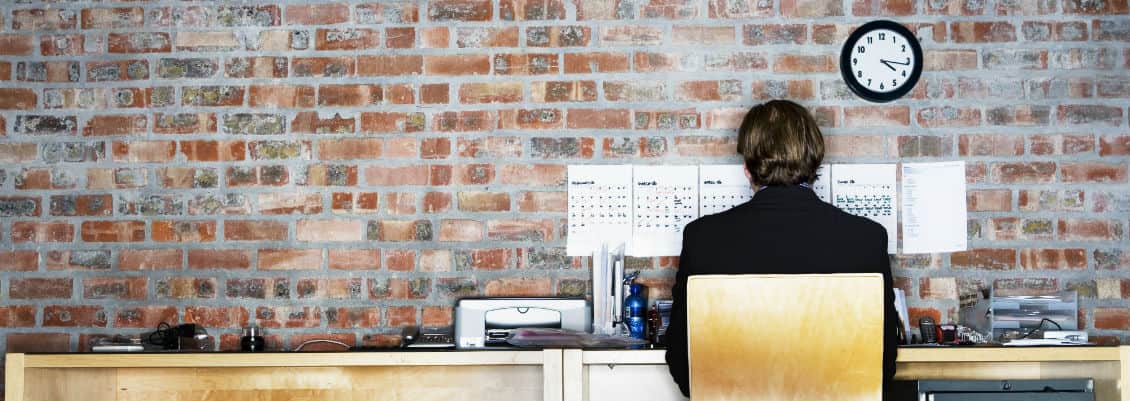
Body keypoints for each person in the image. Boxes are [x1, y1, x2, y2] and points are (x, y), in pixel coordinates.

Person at [664, 99, 898, 397]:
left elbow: (686, 369)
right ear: (815, 163)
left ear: (747, 169)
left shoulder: (703, 237)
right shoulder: (867, 238)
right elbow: (882, 366)